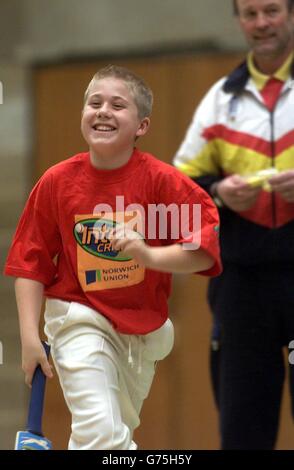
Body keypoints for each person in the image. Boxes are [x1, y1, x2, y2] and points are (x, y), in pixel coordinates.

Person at [4, 65, 221, 450]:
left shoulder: (162, 183)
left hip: (141, 334)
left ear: (142, 126)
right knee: (103, 434)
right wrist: (28, 338)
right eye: (94, 103)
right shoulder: (57, 182)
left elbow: (201, 251)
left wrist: (146, 253)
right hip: (78, 319)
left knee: (104, 436)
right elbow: (29, 263)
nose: (103, 110)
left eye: (118, 105)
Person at [174, 0, 294, 450]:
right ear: (238, 20)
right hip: (242, 285)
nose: (261, 23)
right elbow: (179, 185)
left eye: (272, 11)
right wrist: (221, 193)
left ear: (292, 13)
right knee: (244, 429)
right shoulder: (221, 98)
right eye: (249, 13)